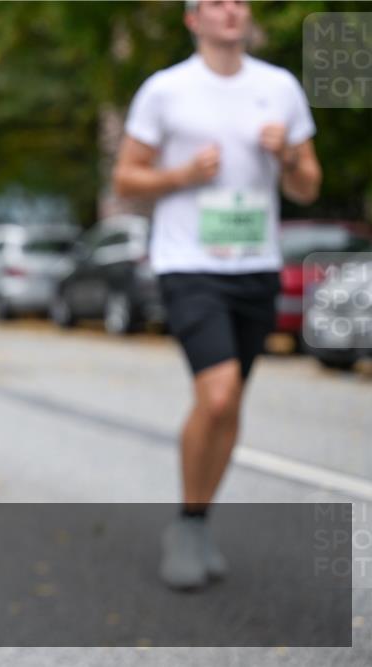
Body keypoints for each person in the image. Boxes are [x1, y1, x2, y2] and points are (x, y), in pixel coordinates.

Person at [113, 0, 321, 590]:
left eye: (238, 1)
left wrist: (284, 155)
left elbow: (308, 185)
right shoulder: (166, 90)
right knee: (220, 391)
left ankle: (199, 521)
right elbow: (125, 179)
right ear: (193, 20)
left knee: (229, 405)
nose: (229, 11)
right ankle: (186, 522)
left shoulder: (279, 87)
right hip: (188, 264)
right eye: (214, 3)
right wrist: (179, 177)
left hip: (255, 266)